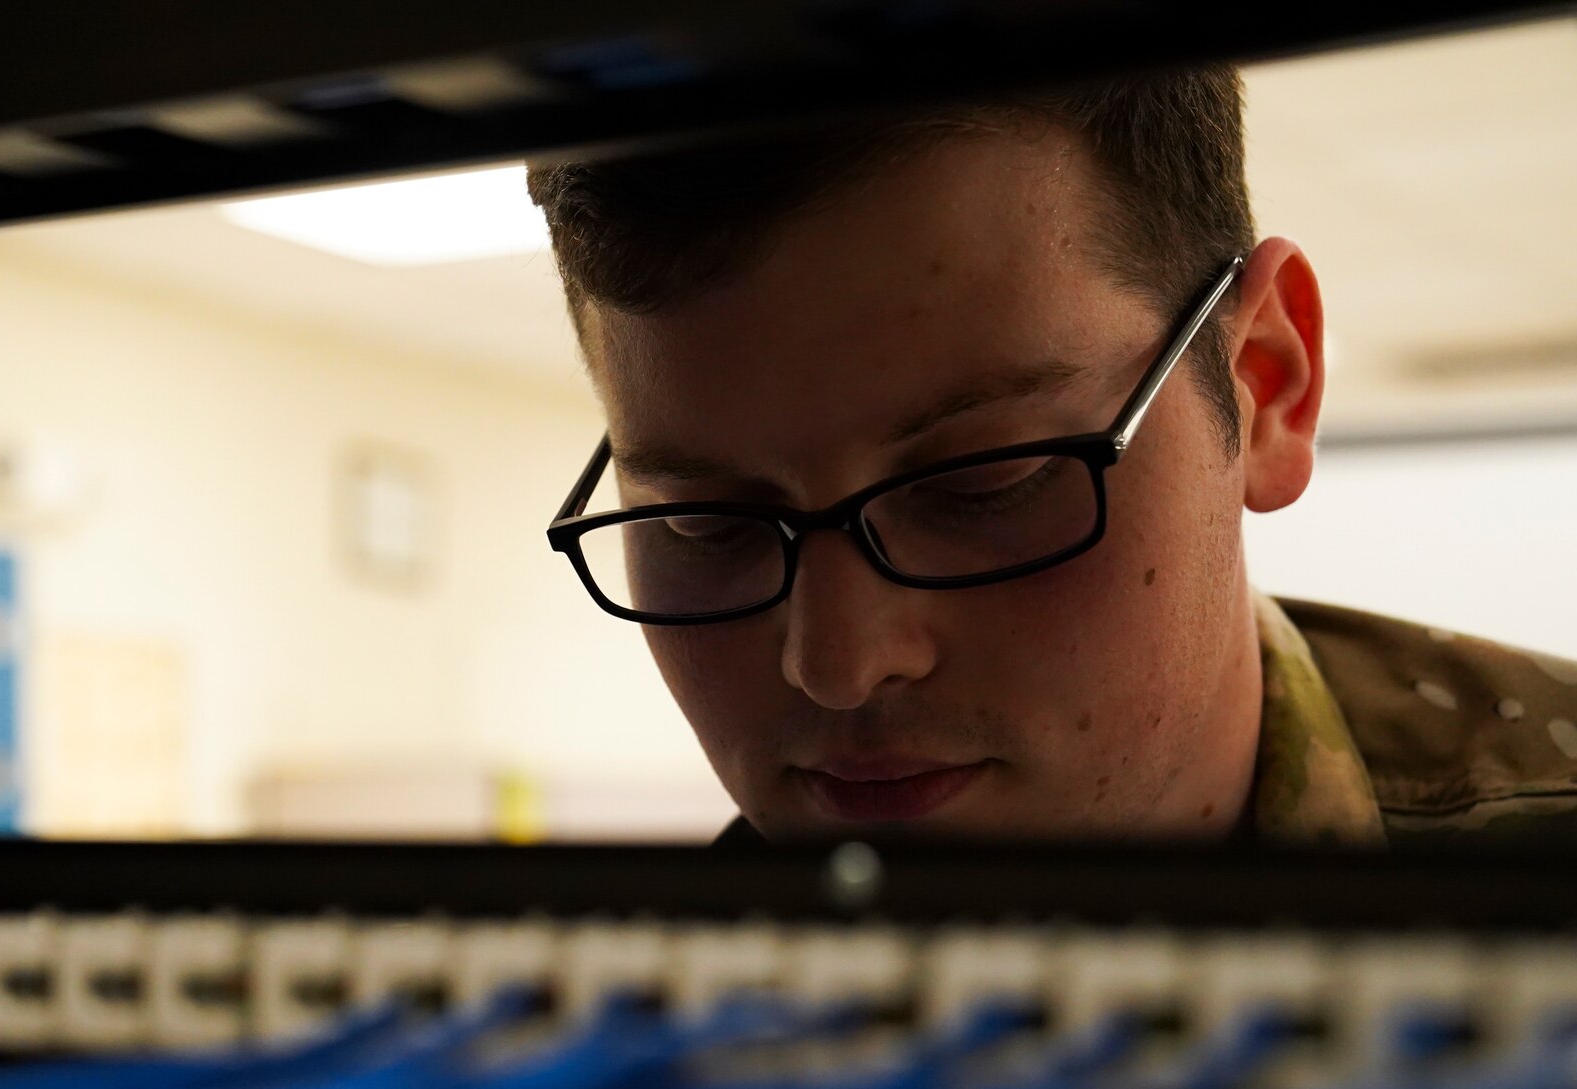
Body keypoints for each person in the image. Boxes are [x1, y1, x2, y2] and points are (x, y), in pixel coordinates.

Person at [527, 66, 1577, 849]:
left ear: (1263, 385)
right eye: (703, 523)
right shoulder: (578, 1037)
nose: (840, 665)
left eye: (984, 483)